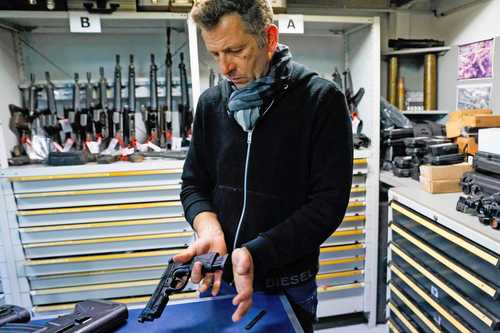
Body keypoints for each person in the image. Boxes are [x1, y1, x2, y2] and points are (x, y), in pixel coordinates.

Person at [173, 1, 353, 331]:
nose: (224, 67)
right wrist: (208, 227)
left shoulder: (320, 100)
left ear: (269, 38)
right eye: (215, 54)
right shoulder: (212, 104)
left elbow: (327, 205)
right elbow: (193, 184)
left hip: (288, 286)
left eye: (235, 50)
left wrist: (255, 254)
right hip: (220, 279)